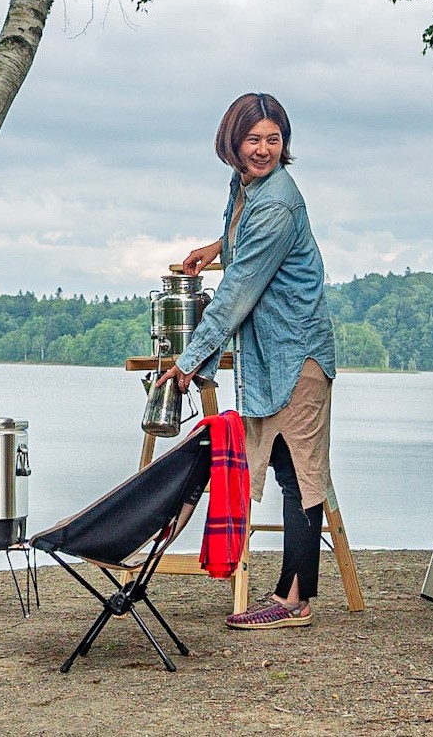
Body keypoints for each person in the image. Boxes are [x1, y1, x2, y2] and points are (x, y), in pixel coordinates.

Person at [166, 92, 338, 629]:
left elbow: (239, 291)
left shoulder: (279, 201)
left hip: (297, 354)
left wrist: (191, 359)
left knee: (299, 476)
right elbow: (241, 243)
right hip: (271, 352)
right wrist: (216, 247)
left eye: (273, 139)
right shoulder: (246, 186)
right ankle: (291, 589)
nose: (263, 150)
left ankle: (294, 601)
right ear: (232, 144)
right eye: (253, 139)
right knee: (290, 468)